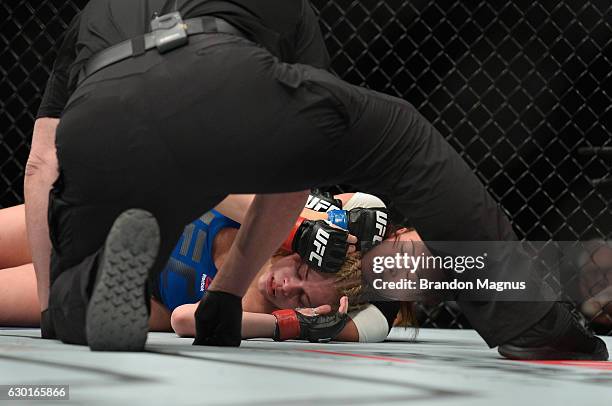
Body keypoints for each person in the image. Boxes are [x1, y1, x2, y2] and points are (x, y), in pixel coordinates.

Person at [25, 0, 607, 359]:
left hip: (97, 117)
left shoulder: (370, 312)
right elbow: (293, 166)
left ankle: (71, 302)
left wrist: (52, 305)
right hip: (217, 90)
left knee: (74, 281)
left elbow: (41, 165)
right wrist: (233, 292)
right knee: (398, 131)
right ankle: (530, 321)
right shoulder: (357, 218)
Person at [2, 192, 412, 341]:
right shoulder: (270, 210)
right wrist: (300, 227)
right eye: (300, 275)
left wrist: (290, 323)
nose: (286, 288)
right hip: (116, 212)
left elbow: (185, 319)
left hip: (142, 291)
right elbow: (202, 182)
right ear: (302, 255)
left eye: (300, 297)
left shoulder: (262, 307)